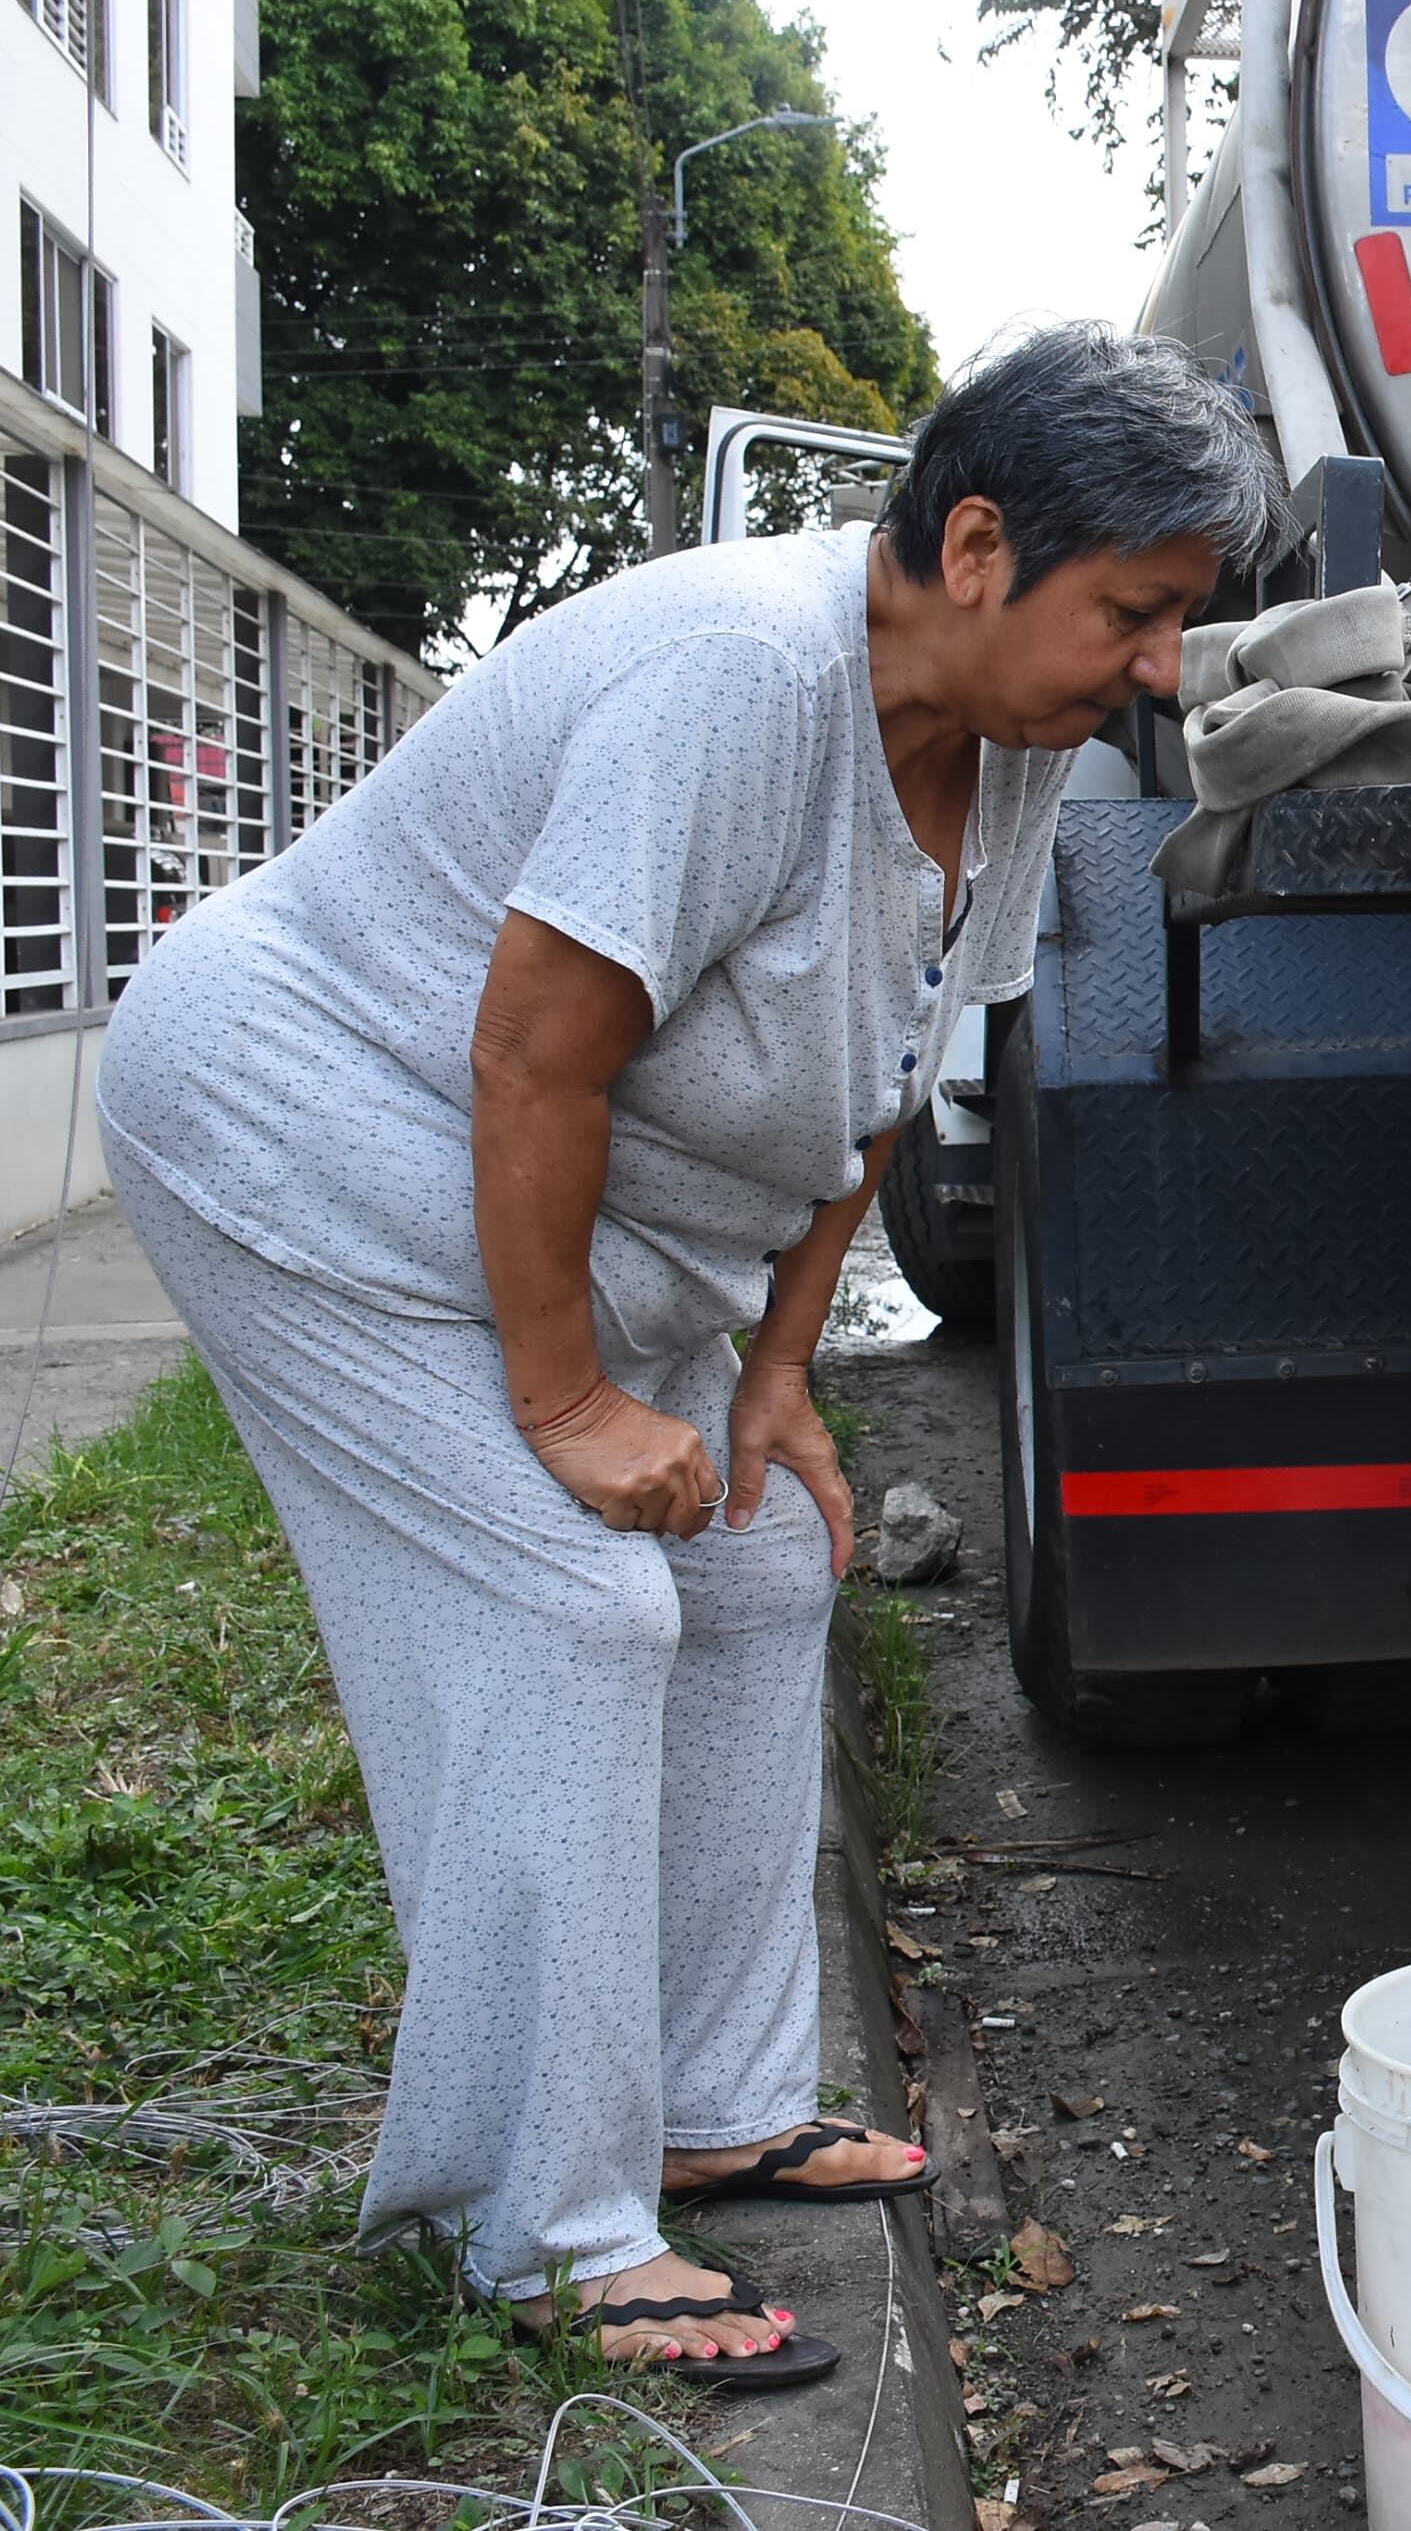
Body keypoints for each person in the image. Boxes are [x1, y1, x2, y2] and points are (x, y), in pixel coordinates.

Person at [98, 326, 1278, 2389]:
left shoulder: (1008, 756)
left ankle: (708, 2102)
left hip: (509, 1177)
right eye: (1141, 612)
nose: (1163, 669)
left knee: (744, 1553)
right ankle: (527, 2221)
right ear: (980, 545)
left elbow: (885, 1082)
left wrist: (772, 1381)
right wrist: (561, 1397)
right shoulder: (751, 674)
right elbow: (536, 1041)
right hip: (292, 1114)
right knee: (563, 1598)